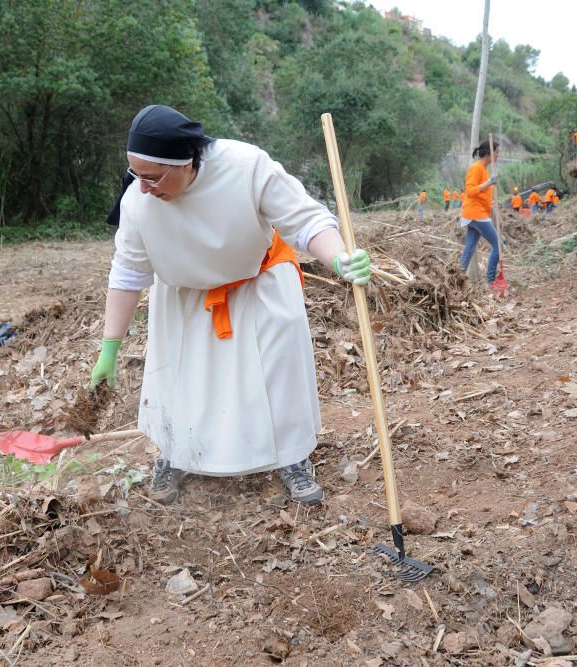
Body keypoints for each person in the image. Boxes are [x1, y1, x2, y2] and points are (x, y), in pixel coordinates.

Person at [91, 104, 372, 506]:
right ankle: (173, 453)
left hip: (258, 278)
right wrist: (110, 348)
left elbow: (305, 221)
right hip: (185, 292)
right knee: (178, 376)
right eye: (135, 174)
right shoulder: (139, 200)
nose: (142, 187)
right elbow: (128, 273)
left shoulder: (246, 167)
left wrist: (339, 258)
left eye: (152, 177)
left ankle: (292, 457)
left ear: (185, 163)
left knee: (277, 369)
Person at [459, 139, 501, 285]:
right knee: (498, 245)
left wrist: (493, 213)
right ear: (489, 153)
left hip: (478, 212)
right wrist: (488, 183)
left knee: (470, 247)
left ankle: (456, 279)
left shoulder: (484, 169)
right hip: (475, 212)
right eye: (496, 152)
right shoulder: (476, 168)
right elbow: (470, 191)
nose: (498, 155)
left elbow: (484, 195)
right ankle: (491, 281)